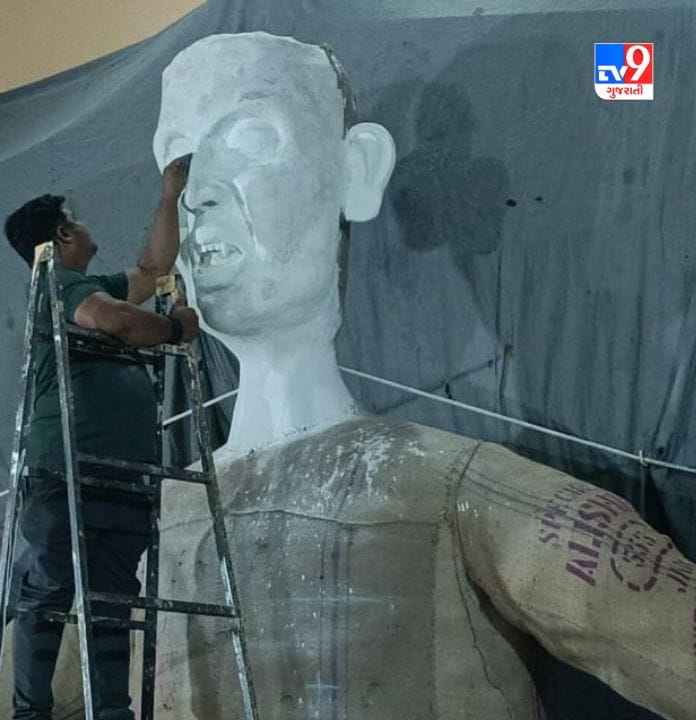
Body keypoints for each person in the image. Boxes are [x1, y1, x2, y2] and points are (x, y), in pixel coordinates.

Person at [145, 32, 695, 719]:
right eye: (177, 160)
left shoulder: (449, 487)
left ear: (357, 171)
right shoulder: (155, 527)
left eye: (251, 138)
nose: (194, 193)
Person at [0, 156, 198, 720]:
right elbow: (119, 321)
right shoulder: (56, 283)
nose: (87, 227)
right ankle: (31, 713)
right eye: (78, 220)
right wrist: (176, 328)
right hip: (68, 472)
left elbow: (152, 268)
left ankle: (112, 712)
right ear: (63, 234)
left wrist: (169, 197)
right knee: (51, 589)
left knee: (112, 602)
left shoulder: (85, 285)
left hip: (119, 475)